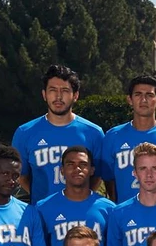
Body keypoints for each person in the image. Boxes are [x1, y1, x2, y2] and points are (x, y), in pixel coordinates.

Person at [23, 146, 118, 246]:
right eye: (70, 164)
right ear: (62, 170)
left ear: (92, 170)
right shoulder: (43, 208)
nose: (77, 169)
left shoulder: (108, 209)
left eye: (83, 164)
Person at [12, 65, 105, 202]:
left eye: (65, 91)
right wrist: (45, 202)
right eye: (53, 90)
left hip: (81, 213)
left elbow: (97, 176)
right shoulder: (25, 133)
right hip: (42, 216)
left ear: (76, 95)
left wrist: (80, 197)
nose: (58, 96)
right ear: (44, 94)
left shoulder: (94, 133)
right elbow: (22, 176)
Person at [99, 75, 156, 201]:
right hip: (124, 213)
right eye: (138, 94)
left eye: (149, 95)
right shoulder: (113, 136)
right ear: (129, 99)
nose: (143, 100)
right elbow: (108, 178)